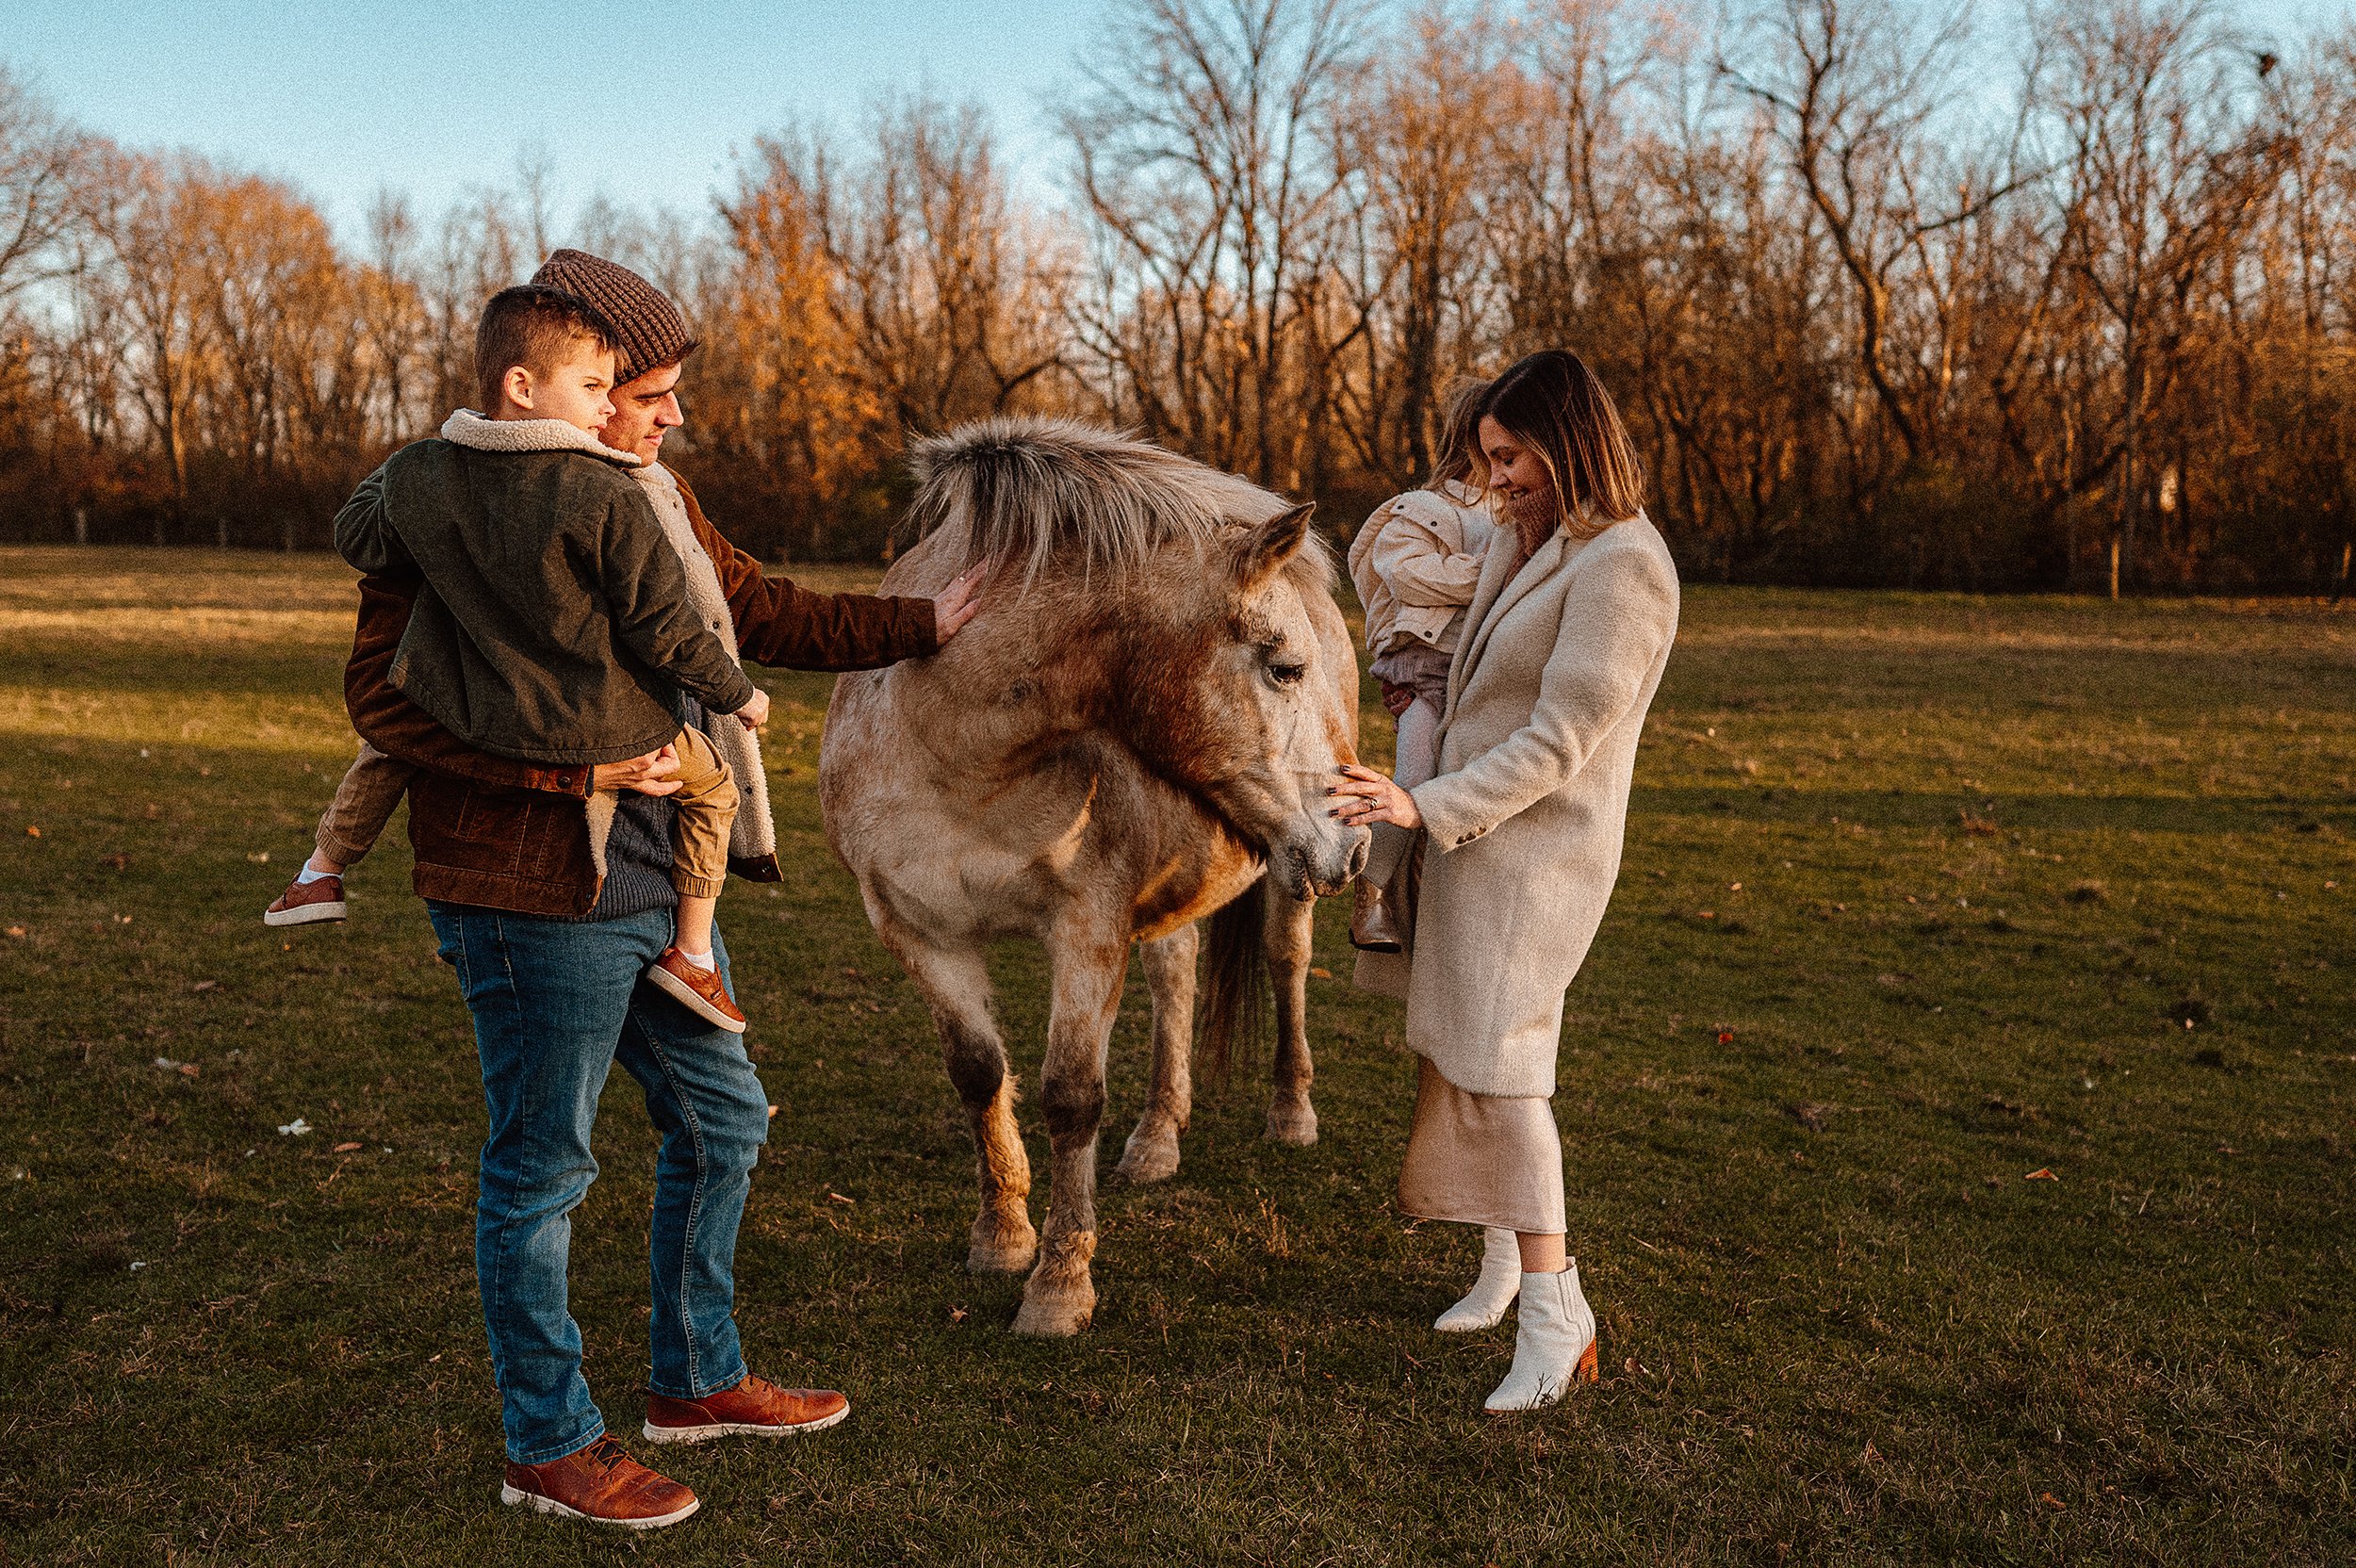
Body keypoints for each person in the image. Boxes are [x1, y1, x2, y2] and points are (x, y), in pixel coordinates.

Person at [341, 250, 987, 1527]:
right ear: (570, 393)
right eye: (651, 392)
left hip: (655, 877)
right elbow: (378, 699)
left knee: (724, 1121)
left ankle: (694, 1379)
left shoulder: (657, 500)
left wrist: (922, 624)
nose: (672, 415)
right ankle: (550, 1441)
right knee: (542, 1169)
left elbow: (757, 617)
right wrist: (562, 771)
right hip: (529, 888)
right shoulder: (454, 504)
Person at [1334, 350, 1680, 1413]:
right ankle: (1496, 1265)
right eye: (1488, 457)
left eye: (1514, 454)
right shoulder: (1540, 541)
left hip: (1535, 856)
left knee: (1505, 1069)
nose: (1499, 478)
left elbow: (1561, 739)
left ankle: (1553, 1306)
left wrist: (1421, 806)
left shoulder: (1623, 564)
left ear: (1570, 440)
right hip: (1476, 847)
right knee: (1459, 1049)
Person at [329, 283, 762, 1031]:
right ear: (523, 386)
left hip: (498, 727)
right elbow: (667, 627)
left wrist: (419, 459)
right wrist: (738, 694)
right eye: (598, 387)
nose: (605, 407)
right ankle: (693, 954)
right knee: (713, 785)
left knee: (377, 759)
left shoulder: (427, 475)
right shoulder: (605, 495)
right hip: (599, 756)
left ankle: (322, 868)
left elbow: (357, 535)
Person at [1343, 379, 1494, 953]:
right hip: (1428, 672)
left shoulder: (1515, 515)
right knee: (1412, 781)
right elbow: (1404, 572)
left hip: (1479, 671)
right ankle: (1371, 892)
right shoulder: (1421, 510)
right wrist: (1491, 577)